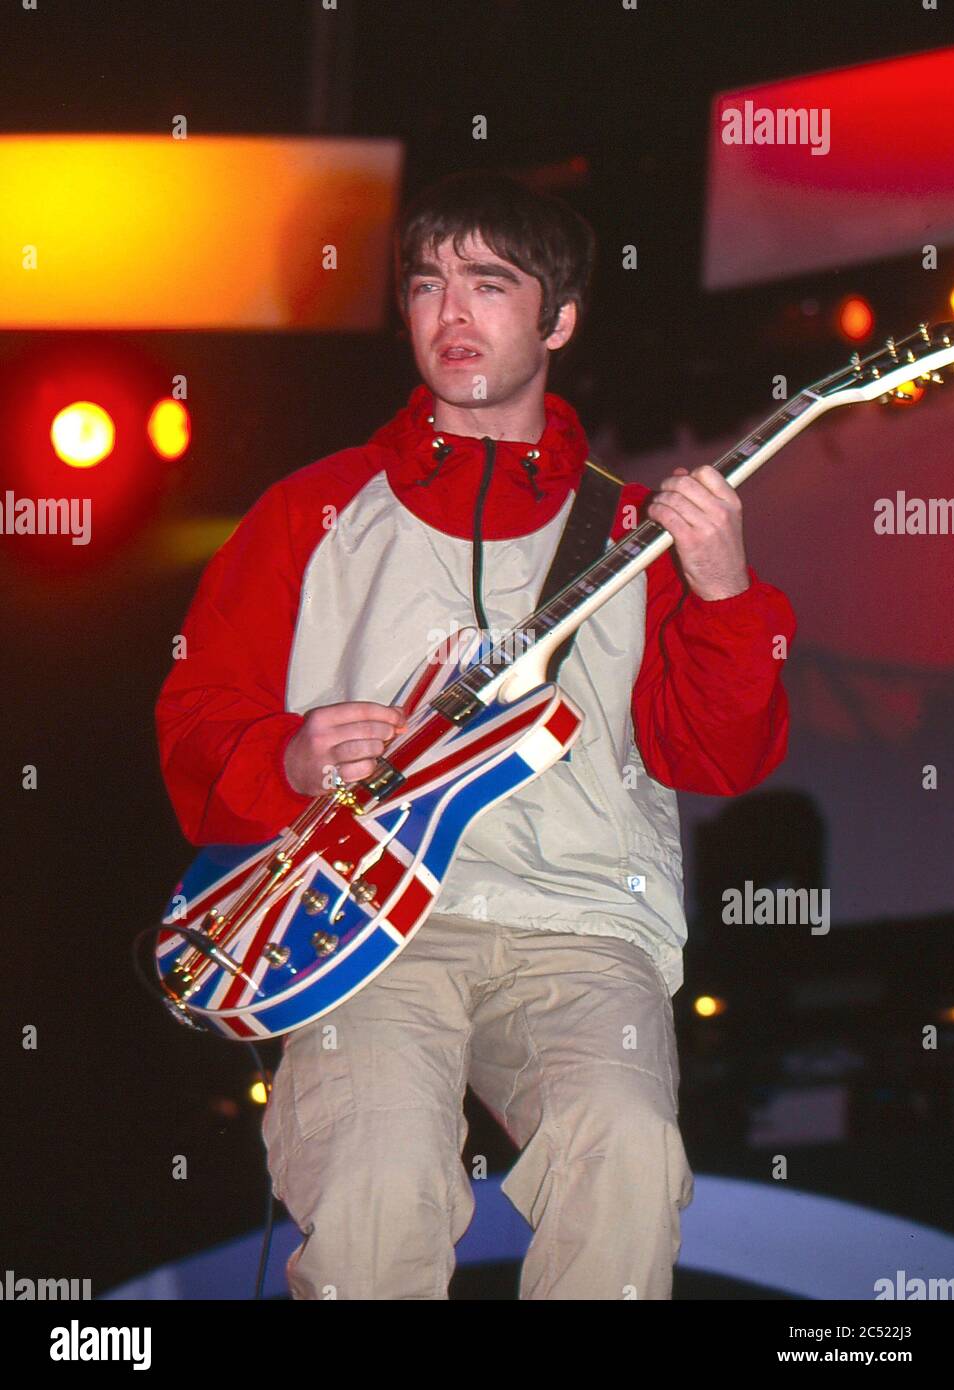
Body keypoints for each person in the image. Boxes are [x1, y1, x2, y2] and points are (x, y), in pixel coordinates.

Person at [155, 170, 796, 1300]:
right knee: (375, 1181)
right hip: (361, 922)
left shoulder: (638, 533)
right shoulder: (310, 512)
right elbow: (197, 720)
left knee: (625, 1154)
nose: (449, 313)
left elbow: (718, 757)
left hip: (581, 922)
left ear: (558, 320)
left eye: (488, 284)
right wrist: (290, 755)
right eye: (425, 284)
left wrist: (727, 596)